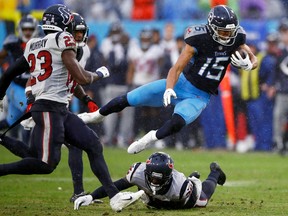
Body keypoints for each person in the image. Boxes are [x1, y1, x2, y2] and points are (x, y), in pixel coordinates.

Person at [0, 4, 143, 212]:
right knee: (46, 163)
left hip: (57, 108)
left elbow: (10, 72)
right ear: (60, 23)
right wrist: (100, 74)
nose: (71, 28)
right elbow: (82, 77)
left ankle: (115, 196)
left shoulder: (33, 43)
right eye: (68, 22)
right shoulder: (63, 40)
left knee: (93, 144)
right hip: (48, 108)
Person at [84, 5, 258, 154]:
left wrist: (250, 65)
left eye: (230, 31)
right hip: (182, 84)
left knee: (177, 123)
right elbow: (176, 67)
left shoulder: (238, 37)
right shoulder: (198, 37)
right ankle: (97, 115)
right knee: (132, 98)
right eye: (223, 31)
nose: (227, 36)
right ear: (211, 27)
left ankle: (149, 138)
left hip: (199, 96)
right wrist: (169, 88)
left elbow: (253, 59)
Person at [73, 152, 226, 210]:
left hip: (183, 199)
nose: (154, 181)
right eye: (152, 177)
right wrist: (91, 196)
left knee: (203, 200)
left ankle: (214, 173)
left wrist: (154, 202)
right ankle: (193, 176)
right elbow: (115, 186)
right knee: (150, 201)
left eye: (158, 179)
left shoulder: (180, 187)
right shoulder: (138, 172)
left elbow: (176, 206)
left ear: (167, 177)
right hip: (156, 197)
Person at [0, 14, 38, 139]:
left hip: (30, 87)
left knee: (11, 121)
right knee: (29, 112)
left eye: (30, 29)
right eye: (25, 29)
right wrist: (5, 67)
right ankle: (27, 149)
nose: (27, 32)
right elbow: (1, 56)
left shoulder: (39, 43)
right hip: (15, 85)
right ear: (20, 29)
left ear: (35, 30)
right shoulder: (12, 42)